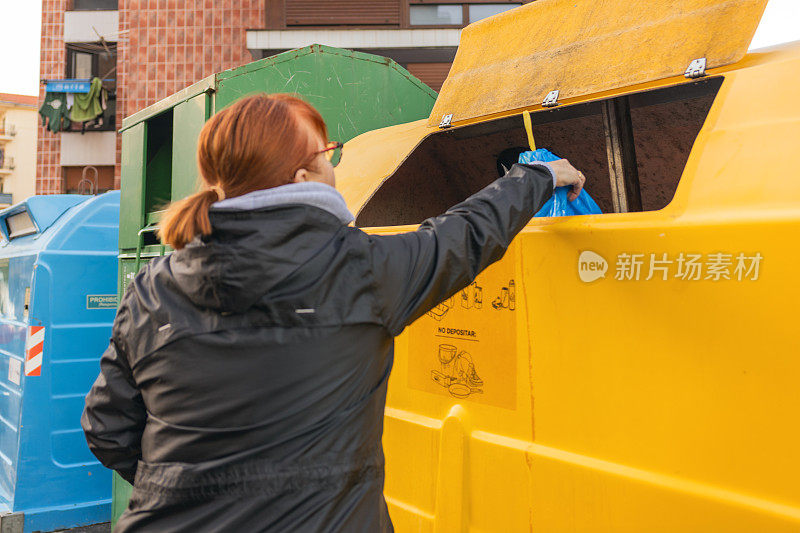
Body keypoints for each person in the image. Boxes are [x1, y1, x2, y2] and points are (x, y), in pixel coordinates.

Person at [82, 93, 585, 532]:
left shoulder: (153, 287)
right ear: (303, 177)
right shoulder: (360, 270)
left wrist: (188, 483)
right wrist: (537, 175)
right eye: (328, 152)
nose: (336, 165)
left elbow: (106, 428)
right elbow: (464, 236)